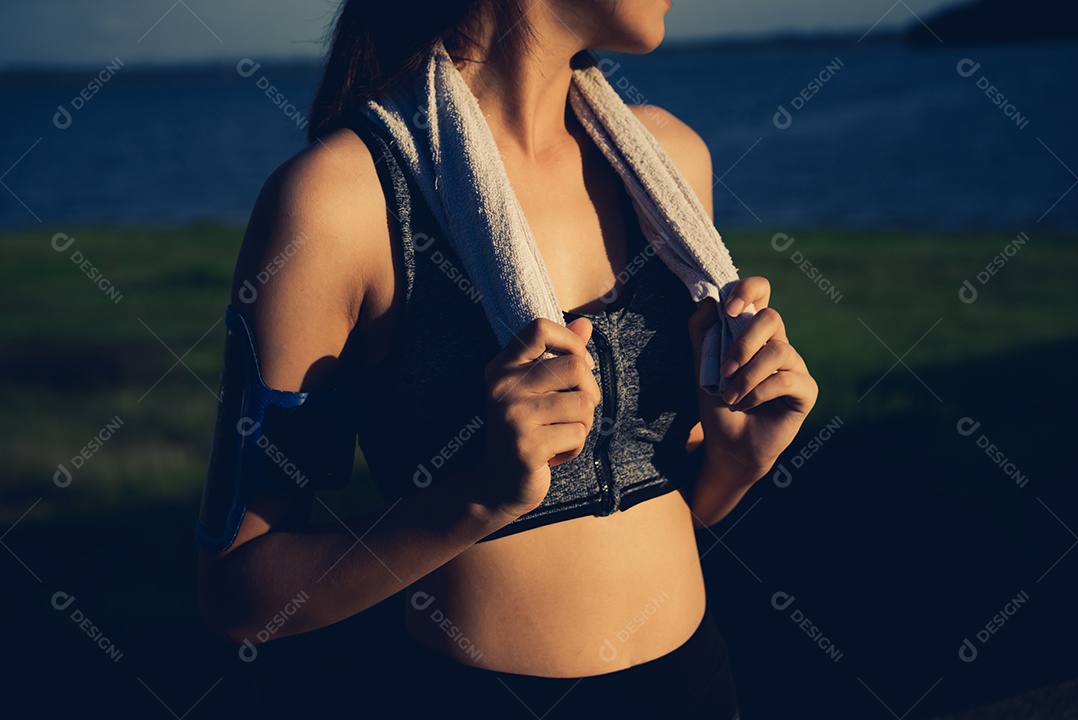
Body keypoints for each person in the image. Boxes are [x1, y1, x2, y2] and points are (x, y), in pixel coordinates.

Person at [196, 0, 817, 717]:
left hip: (697, 684)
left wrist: (736, 462)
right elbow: (238, 595)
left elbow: (672, 508)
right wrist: (479, 497)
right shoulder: (337, 201)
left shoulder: (668, 164)